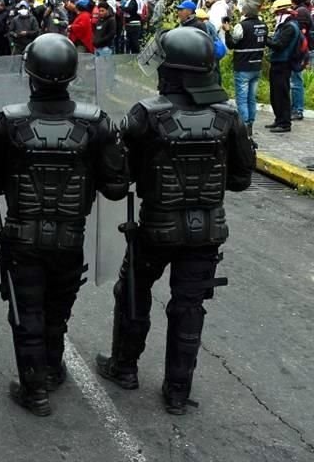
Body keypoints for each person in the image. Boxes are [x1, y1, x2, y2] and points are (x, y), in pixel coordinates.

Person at [97, 26, 254, 414]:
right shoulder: (229, 116)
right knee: (189, 307)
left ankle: (125, 367)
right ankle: (178, 391)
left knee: (133, 292)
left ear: (174, 71)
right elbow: (240, 179)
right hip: (208, 231)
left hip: (156, 226)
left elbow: (119, 182)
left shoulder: (147, 115)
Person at [0, 34, 128, 416]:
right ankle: (50, 368)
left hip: (22, 235)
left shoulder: (8, 121)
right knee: (57, 307)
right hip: (70, 236)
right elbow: (117, 187)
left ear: (29, 74)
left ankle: (35, 389)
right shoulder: (95, 123)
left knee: (26, 310)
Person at [226, 0, 267, 137]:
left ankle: (244, 126)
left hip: (243, 66)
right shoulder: (263, 25)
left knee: (242, 99)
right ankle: (251, 122)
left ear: (246, 11)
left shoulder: (241, 26)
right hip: (257, 66)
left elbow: (232, 44)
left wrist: (226, 31)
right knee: (252, 98)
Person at [266, 0, 303, 133]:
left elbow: (279, 45)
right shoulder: (286, 25)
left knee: (281, 94)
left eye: (276, 14)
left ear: (282, 12)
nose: (275, 16)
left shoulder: (289, 27)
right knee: (275, 94)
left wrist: (264, 39)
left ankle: (284, 123)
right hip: (278, 63)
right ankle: (279, 119)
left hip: (283, 64)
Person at [287, 0, 311, 122]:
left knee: (296, 82)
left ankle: (298, 109)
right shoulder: (303, 10)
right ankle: (295, 108)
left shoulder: (300, 12)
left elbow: (299, 35)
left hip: (298, 53)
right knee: (295, 81)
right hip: (300, 52)